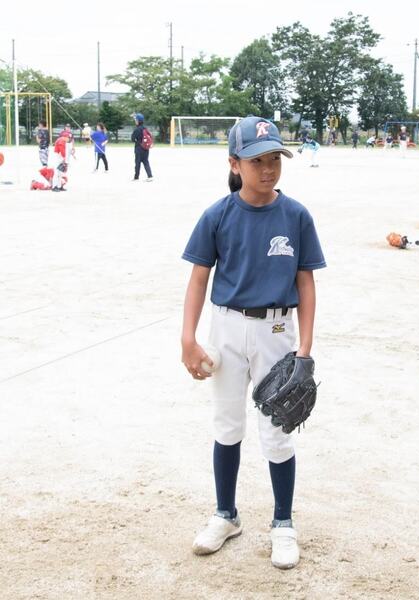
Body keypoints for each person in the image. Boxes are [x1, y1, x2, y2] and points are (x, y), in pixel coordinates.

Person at [181, 116, 326, 569]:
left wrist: (304, 350)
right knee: (227, 425)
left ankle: (283, 522)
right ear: (234, 163)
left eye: (274, 160)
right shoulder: (218, 214)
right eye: (256, 160)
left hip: (277, 331)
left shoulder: (296, 215)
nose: (267, 169)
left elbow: (306, 284)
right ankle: (226, 514)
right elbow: (198, 278)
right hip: (225, 327)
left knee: (279, 431)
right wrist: (189, 337)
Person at [131, 112, 153, 181]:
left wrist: (137, 141)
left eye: (136, 120)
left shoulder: (136, 129)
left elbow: (132, 139)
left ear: (138, 121)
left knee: (137, 162)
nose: (135, 121)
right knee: (146, 161)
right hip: (146, 148)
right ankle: (150, 176)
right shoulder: (145, 128)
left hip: (138, 148)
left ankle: (136, 177)